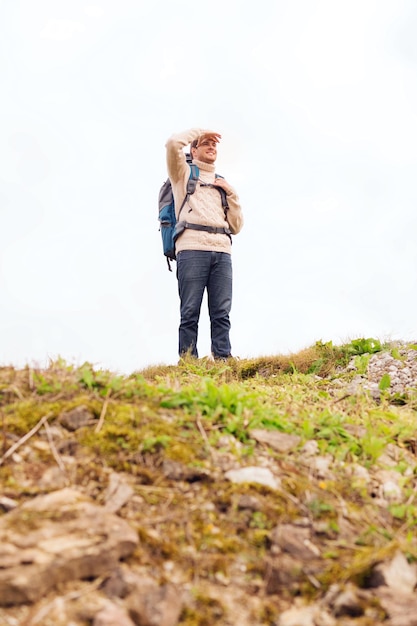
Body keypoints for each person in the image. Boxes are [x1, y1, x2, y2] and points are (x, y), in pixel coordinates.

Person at [165, 128, 244, 360]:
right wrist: (201, 130)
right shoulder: (182, 173)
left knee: (221, 312)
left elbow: (237, 226)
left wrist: (232, 195)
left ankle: (223, 358)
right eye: (206, 143)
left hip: (222, 250)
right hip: (191, 248)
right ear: (194, 149)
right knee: (190, 311)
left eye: (214, 144)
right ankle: (189, 361)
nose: (212, 146)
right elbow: (172, 144)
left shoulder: (224, 183)